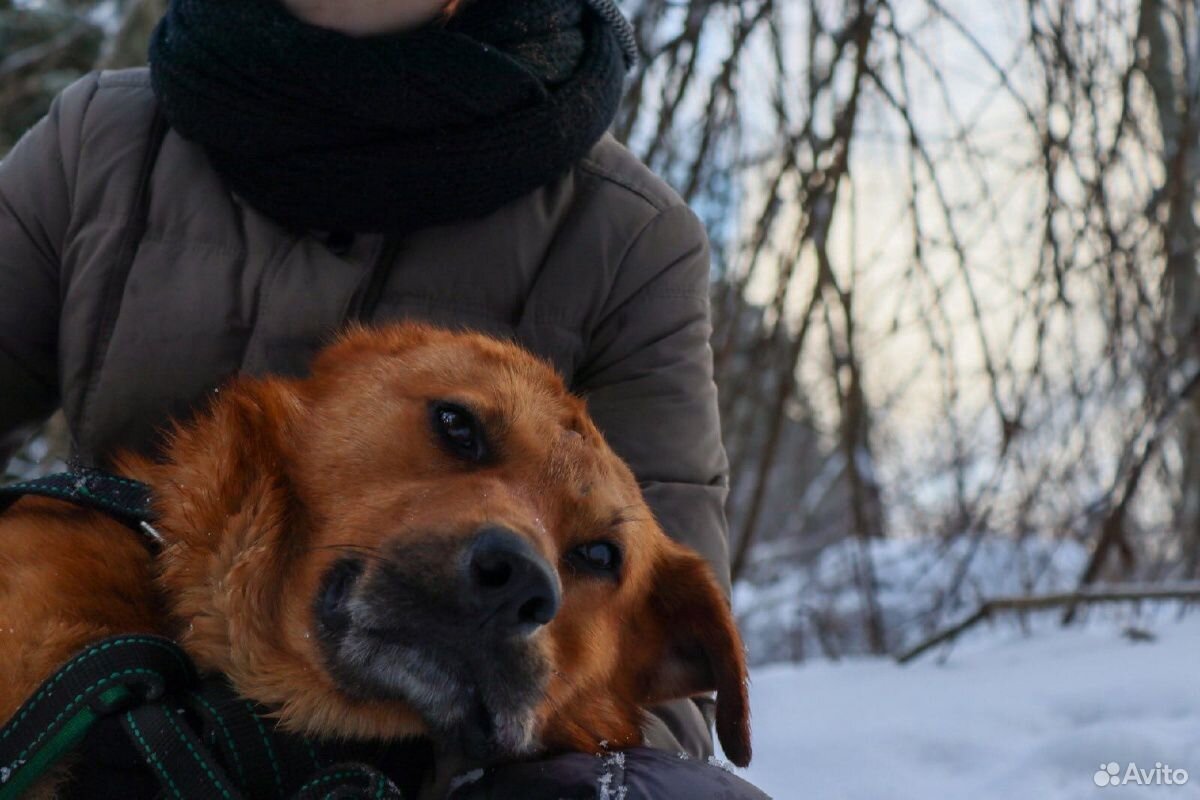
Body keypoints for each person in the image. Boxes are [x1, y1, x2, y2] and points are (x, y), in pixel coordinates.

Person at [0, 0, 766, 797]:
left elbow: (657, 743)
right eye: (458, 432)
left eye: (592, 558)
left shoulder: (630, 236)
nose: (522, 563)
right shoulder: (100, 137)